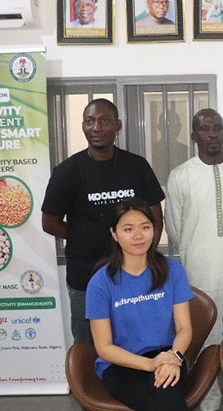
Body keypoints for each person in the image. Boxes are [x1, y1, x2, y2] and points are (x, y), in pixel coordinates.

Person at [41, 98, 165, 344]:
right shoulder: (67, 171)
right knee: (88, 348)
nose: (96, 127)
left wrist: (144, 256)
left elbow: (155, 218)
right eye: (90, 121)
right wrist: (83, 234)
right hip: (85, 279)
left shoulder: (137, 166)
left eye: (104, 121)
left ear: (117, 125)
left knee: (135, 343)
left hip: (131, 277)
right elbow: (49, 222)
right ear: (83, 127)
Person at [165, 108, 223, 411]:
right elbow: (176, 228)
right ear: (193, 135)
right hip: (199, 275)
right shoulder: (180, 176)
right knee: (204, 342)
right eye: (204, 128)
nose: (212, 134)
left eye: (217, 127)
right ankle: (209, 404)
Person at [86, 198, 193, 411]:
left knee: (165, 391)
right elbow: (104, 347)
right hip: (122, 365)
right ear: (114, 233)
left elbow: (184, 328)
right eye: (128, 229)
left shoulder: (173, 271)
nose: (138, 235)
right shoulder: (100, 283)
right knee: (165, 397)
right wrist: (150, 365)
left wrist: (174, 357)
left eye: (145, 227)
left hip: (168, 356)